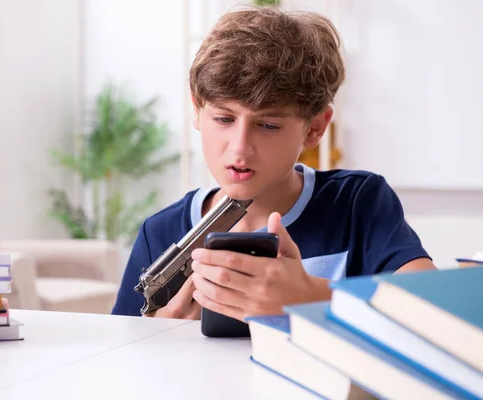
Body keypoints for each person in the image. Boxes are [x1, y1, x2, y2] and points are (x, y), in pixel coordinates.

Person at [111, 6, 436, 321]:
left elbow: (435, 307)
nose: (240, 147)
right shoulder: (159, 233)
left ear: (315, 128)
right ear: (196, 109)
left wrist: (312, 295)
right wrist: (160, 337)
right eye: (224, 118)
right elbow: (117, 360)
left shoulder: (357, 204)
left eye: (268, 125)